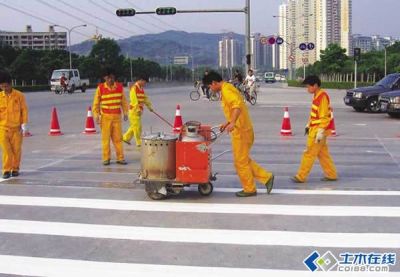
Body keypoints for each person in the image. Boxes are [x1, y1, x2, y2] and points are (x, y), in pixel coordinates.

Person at [203, 71, 274, 197]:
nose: (210, 89)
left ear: (214, 83)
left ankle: (250, 188)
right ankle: (266, 177)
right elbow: (235, 108)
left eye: (209, 86)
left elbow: (237, 107)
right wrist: (228, 123)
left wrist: (233, 122)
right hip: (242, 129)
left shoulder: (226, 91)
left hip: (241, 131)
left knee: (240, 162)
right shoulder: (227, 88)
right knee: (243, 160)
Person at [291, 75, 337, 183]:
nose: (307, 89)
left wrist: (320, 132)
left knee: (309, 153)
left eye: (308, 86)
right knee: (323, 154)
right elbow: (315, 114)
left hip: (318, 131)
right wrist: (308, 124)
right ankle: (331, 174)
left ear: (315, 85)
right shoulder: (317, 95)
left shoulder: (322, 97)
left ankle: (301, 176)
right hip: (315, 128)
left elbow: (324, 116)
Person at [92, 68, 129, 166]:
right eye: (108, 78)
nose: (110, 80)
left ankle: (120, 158)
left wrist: (126, 113)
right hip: (105, 117)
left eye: (112, 77)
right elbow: (95, 104)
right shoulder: (100, 88)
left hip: (117, 117)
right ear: (104, 78)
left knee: (118, 139)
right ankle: (106, 158)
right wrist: (96, 115)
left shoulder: (120, 87)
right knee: (106, 139)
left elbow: (124, 102)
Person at [0, 70, 29, 179]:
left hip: (16, 129)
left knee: (16, 150)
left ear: (11, 84)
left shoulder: (19, 96)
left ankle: (15, 168)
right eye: (2, 87)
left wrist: (24, 123)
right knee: (7, 150)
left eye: (6, 86)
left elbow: (24, 110)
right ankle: (6, 169)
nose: (4, 89)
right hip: (3, 128)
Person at [122, 75, 154, 148]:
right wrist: (138, 109)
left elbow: (145, 99)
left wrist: (150, 107)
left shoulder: (141, 89)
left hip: (138, 111)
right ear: (141, 80)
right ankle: (139, 142)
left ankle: (125, 138)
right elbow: (134, 101)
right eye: (145, 82)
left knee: (134, 126)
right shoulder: (134, 88)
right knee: (137, 127)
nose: (145, 84)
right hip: (134, 111)